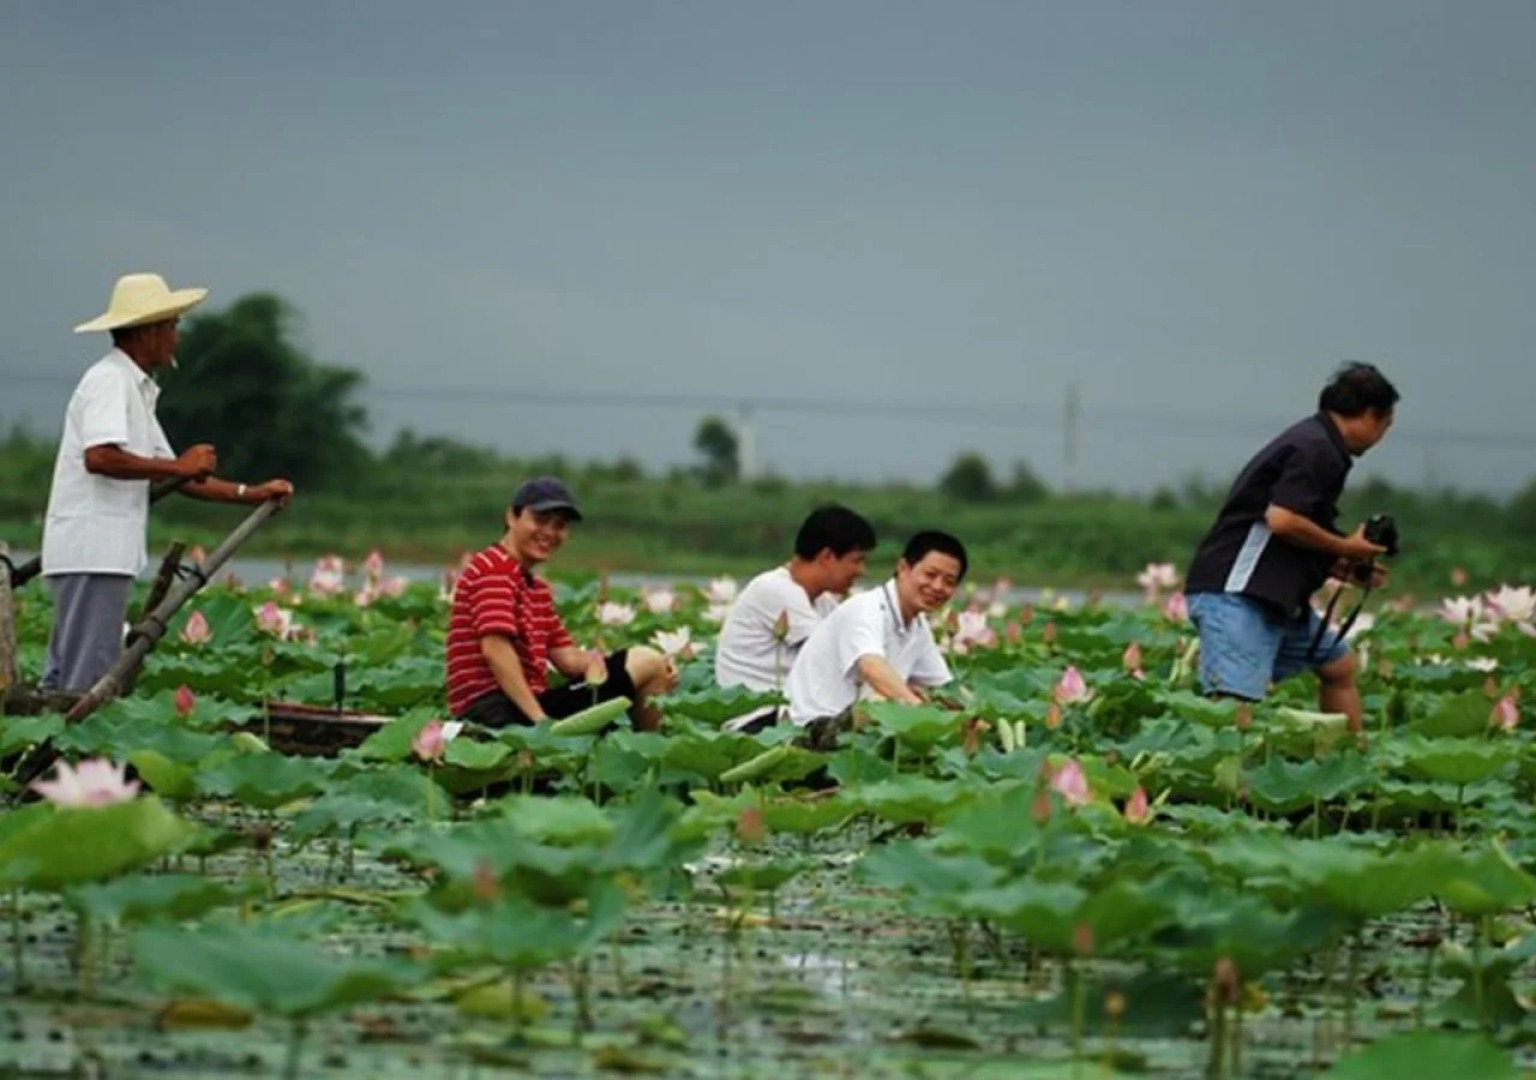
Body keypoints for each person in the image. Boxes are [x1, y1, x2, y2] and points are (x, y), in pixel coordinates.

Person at [41, 273, 294, 692]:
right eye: (173, 326)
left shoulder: (136, 388)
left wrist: (251, 494)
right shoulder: (110, 380)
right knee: (85, 679)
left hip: (104, 552)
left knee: (68, 675)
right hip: (92, 550)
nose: (178, 336)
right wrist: (180, 467)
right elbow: (99, 457)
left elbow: (181, 476)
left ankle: (52, 730)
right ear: (147, 331)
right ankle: (71, 733)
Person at [1183, 362, 1399, 731]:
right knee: (1233, 707)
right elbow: (1282, 520)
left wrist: (1343, 565)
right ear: (1368, 415)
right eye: (1386, 425)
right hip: (1239, 593)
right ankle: (1221, 770)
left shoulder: (1318, 442)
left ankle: (1347, 760)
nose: (1382, 436)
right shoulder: (1317, 447)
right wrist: (1345, 546)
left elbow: (1291, 530)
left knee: (1339, 666)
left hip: (1272, 595)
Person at [446, 476, 680, 731]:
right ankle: (653, 746)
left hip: (526, 706)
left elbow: (568, 659)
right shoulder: (494, 569)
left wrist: (620, 667)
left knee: (649, 664)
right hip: (494, 711)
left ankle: (647, 745)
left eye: (559, 525)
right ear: (512, 517)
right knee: (645, 661)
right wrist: (540, 720)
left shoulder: (536, 588)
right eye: (540, 520)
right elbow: (495, 650)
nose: (549, 532)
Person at [784, 530, 965, 745]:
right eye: (930, 575)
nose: (937, 587)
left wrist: (982, 722)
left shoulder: (918, 626)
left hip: (857, 729)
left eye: (949, 581)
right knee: (884, 702)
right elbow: (871, 666)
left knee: (922, 699)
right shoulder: (867, 608)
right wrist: (921, 712)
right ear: (903, 567)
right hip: (810, 729)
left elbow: (945, 689)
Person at [715, 504, 877, 694]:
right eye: (857, 561)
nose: (862, 571)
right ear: (827, 557)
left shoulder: (823, 601)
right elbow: (841, 655)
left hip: (790, 705)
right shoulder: (775, 589)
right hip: (759, 708)